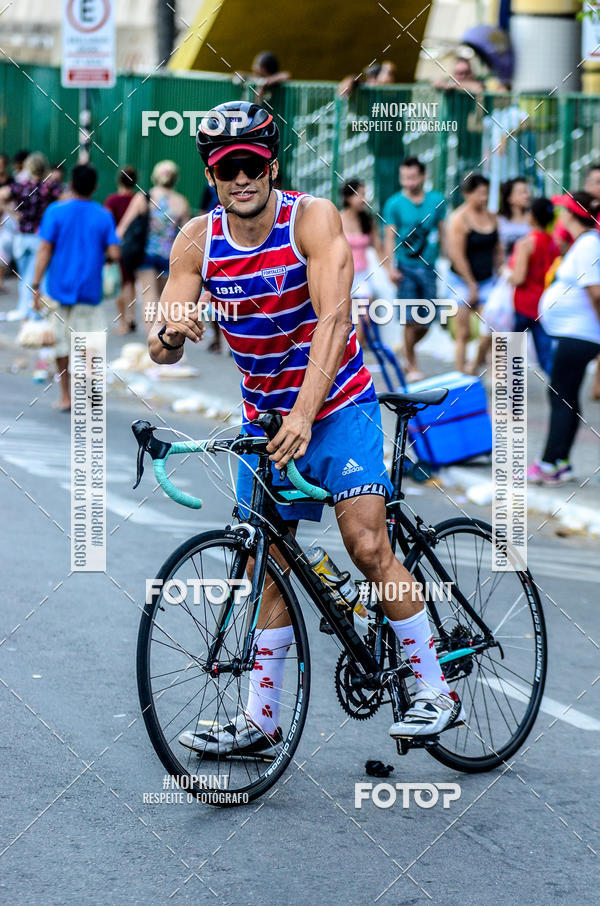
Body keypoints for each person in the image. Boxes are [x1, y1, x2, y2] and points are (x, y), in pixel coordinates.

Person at [147, 100, 465, 754]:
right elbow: (163, 339)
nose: (242, 178)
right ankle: (261, 719)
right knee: (264, 566)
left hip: (338, 406)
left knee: (368, 546)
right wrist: (170, 333)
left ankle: (436, 688)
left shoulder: (311, 219)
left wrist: (303, 410)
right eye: (227, 167)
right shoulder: (196, 239)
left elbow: (335, 320)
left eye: (253, 164)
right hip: (264, 420)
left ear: (271, 164)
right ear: (211, 172)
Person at [31, 164, 120, 411]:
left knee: (61, 346)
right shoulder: (103, 215)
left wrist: (36, 285)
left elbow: (44, 250)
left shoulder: (55, 212)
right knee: (89, 347)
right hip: (89, 293)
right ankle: (90, 396)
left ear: (70, 183)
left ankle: (66, 396)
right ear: (95, 187)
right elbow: (114, 252)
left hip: (59, 289)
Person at [527, 192, 600, 483]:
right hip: (575, 333)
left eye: (563, 211)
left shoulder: (587, 245)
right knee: (565, 395)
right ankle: (561, 462)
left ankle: (548, 463)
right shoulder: (585, 244)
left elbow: (595, 292)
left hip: (579, 334)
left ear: (570, 215)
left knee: (560, 396)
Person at [382, 157, 446, 380]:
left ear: (422, 176)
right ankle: (412, 365)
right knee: (410, 318)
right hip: (405, 268)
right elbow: (388, 237)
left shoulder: (437, 200)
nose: (408, 182)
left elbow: (443, 231)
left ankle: (406, 348)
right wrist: (389, 268)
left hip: (429, 268)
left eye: (412, 177)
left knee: (428, 319)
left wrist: (447, 259)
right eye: (404, 177)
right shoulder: (394, 203)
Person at [116, 160, 190, 333]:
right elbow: (187, 235)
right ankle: (164, 334)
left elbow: (124, 226)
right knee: (165, 297)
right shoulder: (181, 202)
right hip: (169, 255)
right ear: (175, 178)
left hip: (146, 254)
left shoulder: (144, 196)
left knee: (149, 295)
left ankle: (153, 336)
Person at [445, 173, 502, 373]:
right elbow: (456, 256)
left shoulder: (492, 217)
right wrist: (471, 284)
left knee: (493, 328)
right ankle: (460, 376)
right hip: (461, 280)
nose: (483, 198)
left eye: (485, 193)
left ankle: (474, 367)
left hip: (487, 280)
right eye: (479, 194)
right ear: (467, 194)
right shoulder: (458, 219)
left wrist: (501, 275)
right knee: (464, 332)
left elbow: (497, 250)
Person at [0, 152, 62, 320]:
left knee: (24, 276)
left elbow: (2, 196)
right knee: (38, 277)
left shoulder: (20, 186)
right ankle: (34, 311)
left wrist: (12, 213)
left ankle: (25, 308)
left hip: (20, 237)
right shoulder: (49, 187)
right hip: (39, 236)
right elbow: (65, 199)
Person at [508, 197, 559, 376]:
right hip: (543, 304)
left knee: (512, 352)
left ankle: (510, 393)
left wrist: (506, 274)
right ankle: (560, 391)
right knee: (546, 355)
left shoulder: (526, 243)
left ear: (532, 217)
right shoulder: (554, 243)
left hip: (523, 304)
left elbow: (518, 278)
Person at [339, 178, 384, 346]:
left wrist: (389, 271)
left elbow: (378, 248)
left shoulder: (368, 221)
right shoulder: (338, 219)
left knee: (364, 318)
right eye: (361, 194)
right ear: (348, 197)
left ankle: (356, 356)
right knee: (344, 321)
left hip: (363, 276)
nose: (364, 199)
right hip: (343, 276)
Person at [105, 166, 138, 334]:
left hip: (118, 245)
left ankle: (123, 322)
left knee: (120, 283)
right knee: (131, 283)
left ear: (119, 180)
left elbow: (108, 226)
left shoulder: (112, 201)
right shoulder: (137, 200)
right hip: (135, 247)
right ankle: (131, 316)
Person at [498, 177, 531, 256]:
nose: (526, 196)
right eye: (521, 193)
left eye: (527, 192)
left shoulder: (533, 219)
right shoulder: (498, 221)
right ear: (509, 198)